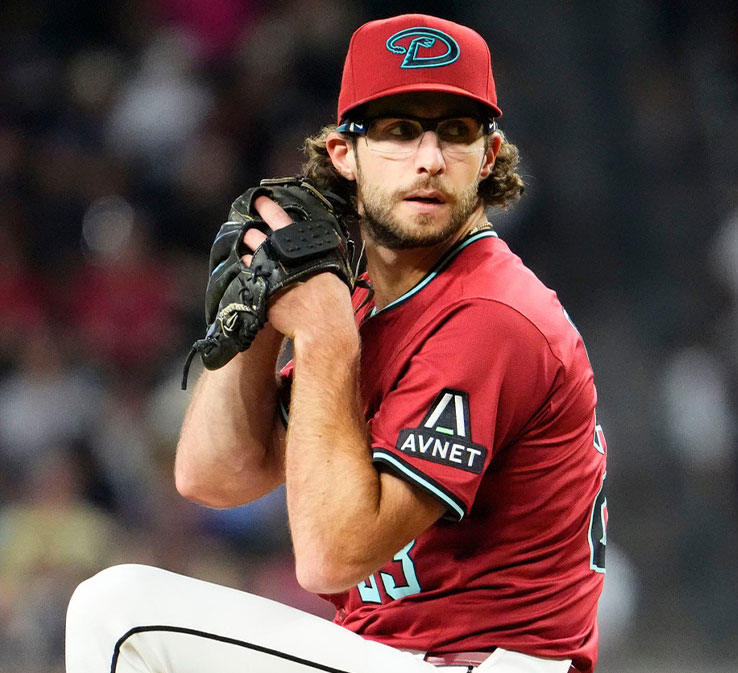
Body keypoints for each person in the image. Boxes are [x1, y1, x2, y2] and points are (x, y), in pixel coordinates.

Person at [65, 13, 608, 673]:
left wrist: (321, 334)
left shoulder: (490, 315)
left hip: (475, 664)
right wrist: (260, 314)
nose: (430, 158)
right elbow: (212, 474)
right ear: (342, 156)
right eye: (399, 131)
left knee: (116, 611)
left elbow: (331, 556)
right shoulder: (362, 300)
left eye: (456, 132)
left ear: (488, 156)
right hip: (391, 656)